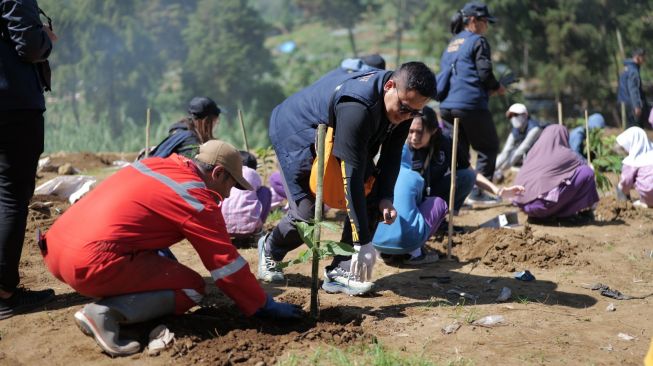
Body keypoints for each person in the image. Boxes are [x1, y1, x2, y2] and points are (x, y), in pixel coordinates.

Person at [42, 140, 302, 357]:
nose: (228, 194)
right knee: (192, 287)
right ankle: (104, 314)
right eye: (231, 185)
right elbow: (226, 265)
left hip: (56, 248)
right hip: (89, 264)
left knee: (165, 269)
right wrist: (262, 303)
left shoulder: (157, 164)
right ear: (218, 173)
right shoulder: (196, 198)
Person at [260, 62, 436, 295]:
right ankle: (271, 249)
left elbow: (392, 156)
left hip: (339, 132)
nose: (407, 117)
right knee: (308, 213)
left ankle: (340, 271)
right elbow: (350, 177)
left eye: (415, 112)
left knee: (373, 196)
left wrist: (385, 197)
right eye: (404, 108)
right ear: (390, 86)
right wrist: (362, 243)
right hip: (297, 129)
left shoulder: (403, 109)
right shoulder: (358, 106)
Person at [372, 107, 523, 262]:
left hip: (432, 191)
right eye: (410, 131)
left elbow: (469, 170)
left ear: (433, 131)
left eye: (419, 132)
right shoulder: (402, 145)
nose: (413, 137)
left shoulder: (446, 142)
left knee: (466, 177)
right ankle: (415, 239)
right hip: (407, 198)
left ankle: (440, 223)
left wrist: (497, 191)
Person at [0, 0, 57, 320]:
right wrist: (45, 36)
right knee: (11, 196)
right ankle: (4, 292)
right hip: (13, 103)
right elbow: (30, 46)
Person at [437, 2, 506, 204]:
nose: (487, 26)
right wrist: (496, 87)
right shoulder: (478, 41)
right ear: (473, 20)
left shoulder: (452, 43)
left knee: (458, 153)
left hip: (447, 107)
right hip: (470, 104)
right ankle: (477, 193)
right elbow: (485, 73)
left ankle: (457, 195)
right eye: (486, 21)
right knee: (488, 147)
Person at [512, 125, 599, 220]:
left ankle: (538, 216)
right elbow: (586, 166)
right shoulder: (567, 154)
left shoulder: (533, 152)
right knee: (587, 172)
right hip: (543, 207)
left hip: (525, 206)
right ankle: (563, 214)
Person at [222, 151, 272, 248]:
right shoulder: (252, 173)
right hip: (250, 227)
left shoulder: (226, 172)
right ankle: (258, 232)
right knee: (265, 191)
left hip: (225, 227)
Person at [146, 96, 221, 159]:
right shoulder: (190, 141)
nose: (215, 125)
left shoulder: (179, 131)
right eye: (214, 121)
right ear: (207, 122)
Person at [494, 103, 544, 181]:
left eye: (516, 115)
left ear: (525, 115)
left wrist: (504, 168)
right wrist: (492, 168)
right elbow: (506, 151)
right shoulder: (516, 130)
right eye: (510, 116)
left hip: (543, 155)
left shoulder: (535, 128)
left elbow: (522, 149)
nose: (513, 118)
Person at [614, 127, 653, 208]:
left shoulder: (632, 161)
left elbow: (625, 182)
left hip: (650, 195)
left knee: (621, 186)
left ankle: (627, 204)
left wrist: (623, 190)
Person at [617, 48, 649, 128]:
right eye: (643, 57)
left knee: (628, 129)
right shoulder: (633, 71)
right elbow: (633, 89)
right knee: (635, 130)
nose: (644, 60)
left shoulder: (626, 68)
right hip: (631, 104)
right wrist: (637, 105)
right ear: (638, 57)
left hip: (624, 102)